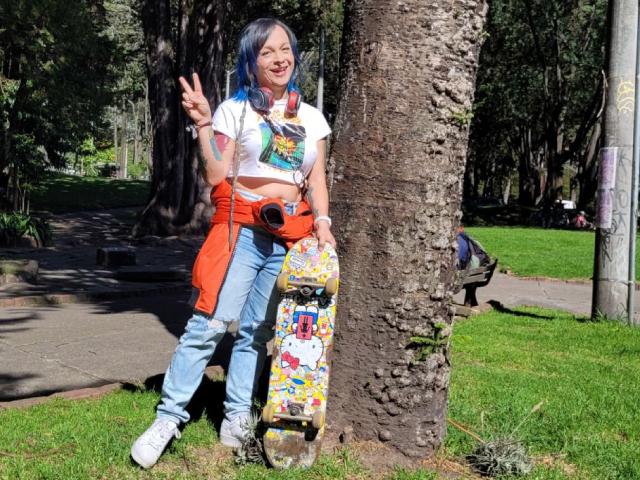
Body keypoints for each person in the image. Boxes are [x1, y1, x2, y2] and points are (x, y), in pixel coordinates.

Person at [130, 18, 335, 469]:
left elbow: (316, 179)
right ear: (251, 61)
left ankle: (237, 415)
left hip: (288, 236)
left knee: (256, 333)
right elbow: (217, 174)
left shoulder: (312, 117)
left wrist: (322, 219)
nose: (280, 58)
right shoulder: (234, 110)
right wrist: (203, 125)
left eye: (285, 48)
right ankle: (169, 417)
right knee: (207, 325)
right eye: (267, 52)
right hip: (240, 230)